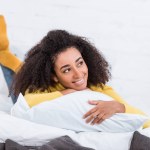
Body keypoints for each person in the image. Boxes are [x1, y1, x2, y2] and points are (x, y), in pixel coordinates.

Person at [9, 29, 150, 128]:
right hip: (27, 88)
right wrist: (68, 92)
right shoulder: (43, 86)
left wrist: (120, 107)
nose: (79, 74)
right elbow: (26, 102)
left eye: (80, 63)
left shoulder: (98, 88)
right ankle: (7, 56)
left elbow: (145, 120)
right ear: (54, 76)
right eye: (67, 69)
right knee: (16, 75)